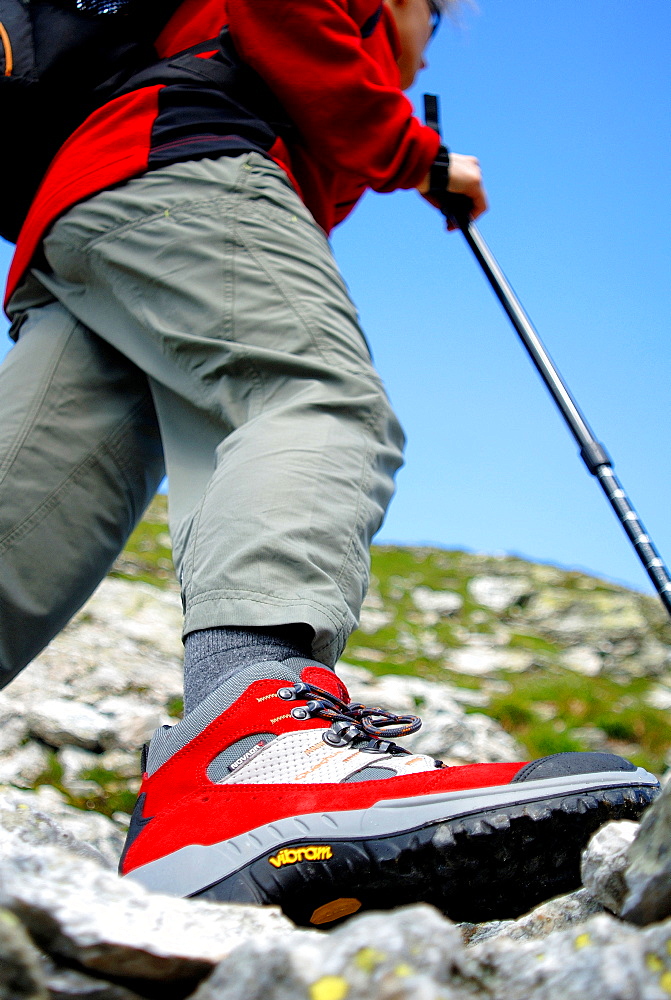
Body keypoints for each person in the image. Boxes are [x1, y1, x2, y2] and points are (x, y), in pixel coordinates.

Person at [0, 0, 656, 927]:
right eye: (432, 16)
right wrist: (419, 156)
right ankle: (253, 752)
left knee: (33, 511)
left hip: (86, 209)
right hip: (177, 166)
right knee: (311, 394)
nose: (429, 37)